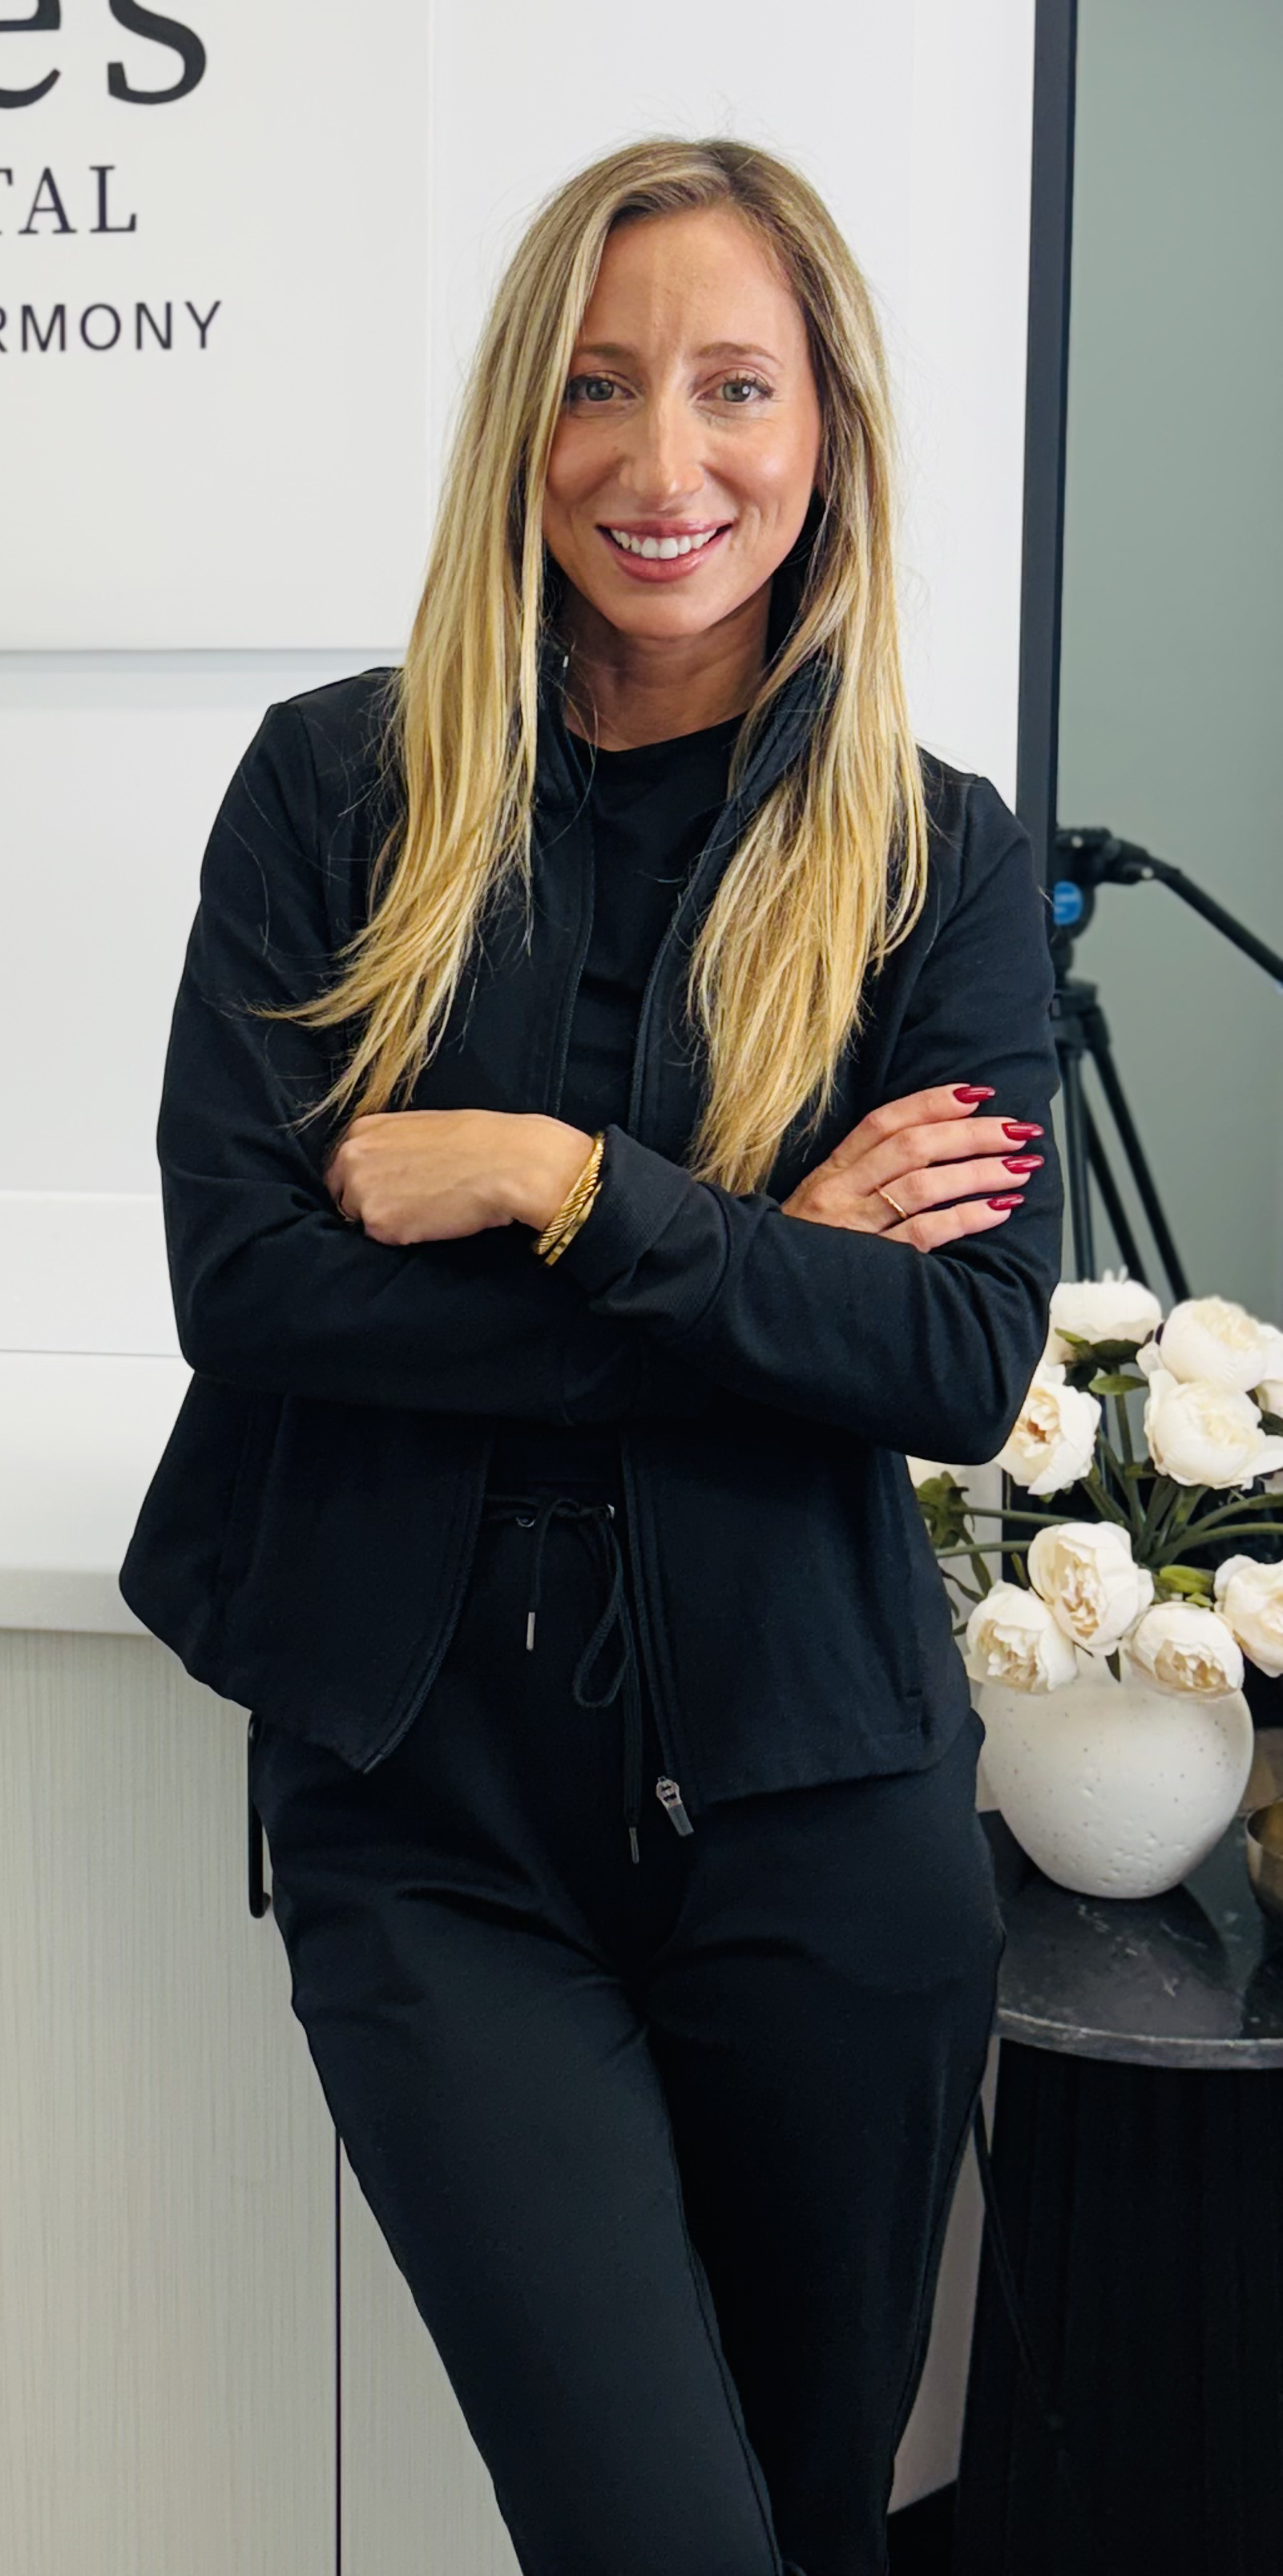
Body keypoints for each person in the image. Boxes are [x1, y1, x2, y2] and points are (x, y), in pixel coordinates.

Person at [119, 139, 1060, 2576]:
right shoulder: (337, 795)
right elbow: (252, 1289)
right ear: (518, 428)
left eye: (736, 387)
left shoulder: (936, 860)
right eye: (599, 385)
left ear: (827, 430)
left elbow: (954, 1357)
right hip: (428, 1808)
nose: (665, 461)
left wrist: (569, 1187)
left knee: (815, 2529)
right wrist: (762, 1272)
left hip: (824, 1820)